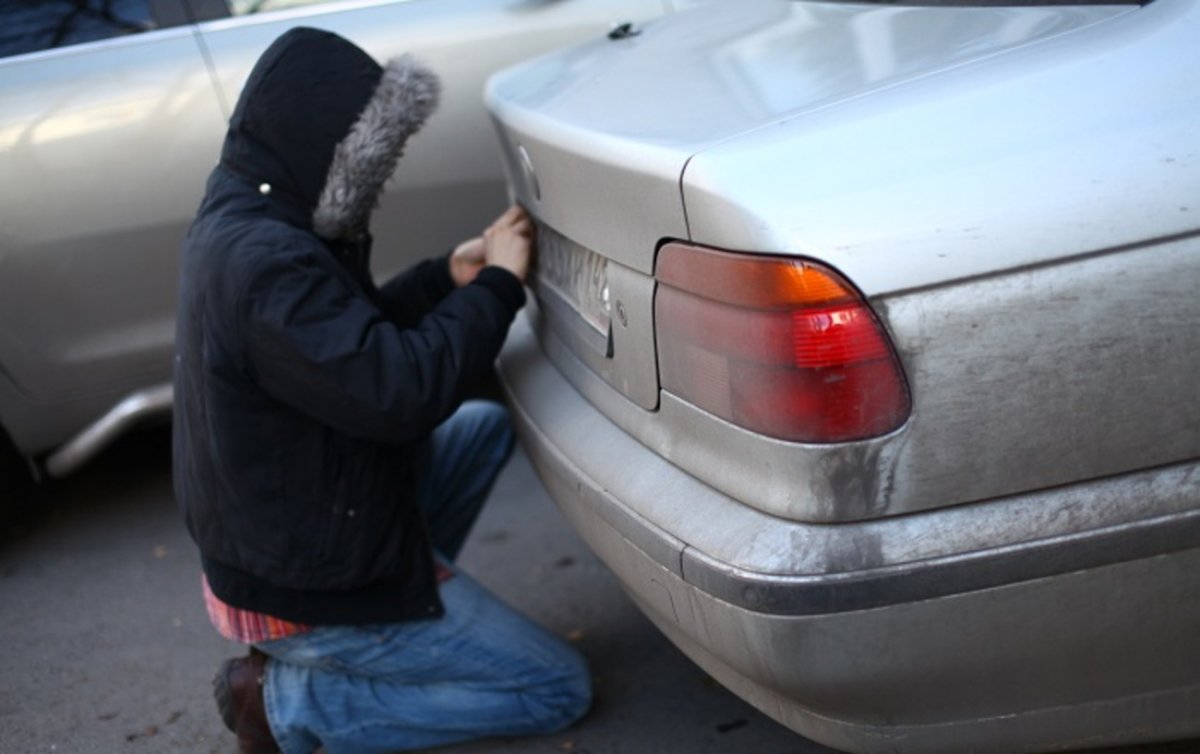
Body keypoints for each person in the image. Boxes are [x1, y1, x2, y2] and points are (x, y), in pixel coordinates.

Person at [172, 27, 590, 754]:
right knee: (555, 688)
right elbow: (400, 393)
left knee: (479, 430)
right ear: (327, 144)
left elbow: (340, 349)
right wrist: (497, 286)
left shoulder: (245, 218)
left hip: (293, 529)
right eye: (369, 158)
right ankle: (287, 701)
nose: (375, 181)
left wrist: (443, 280)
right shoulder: (267, 262)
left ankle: (399, 612)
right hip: (304, 589)